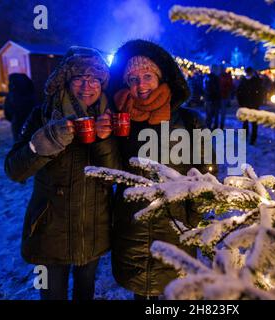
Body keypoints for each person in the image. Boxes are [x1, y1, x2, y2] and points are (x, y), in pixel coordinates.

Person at [4, 46, 119, 300]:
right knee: (52, 294)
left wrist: (103, 140)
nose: (87, 85)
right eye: (79, 77)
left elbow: (115, 177)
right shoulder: (43, 114)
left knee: (84, 292)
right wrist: (44, 143)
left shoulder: (111, 117)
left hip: (93, 228)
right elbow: (14, 169)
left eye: (95, 79)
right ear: (66, 80)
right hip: (50, 229)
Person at [104, 39, 214, 300]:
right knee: (141, 292)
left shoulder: (190, 120)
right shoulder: (121, 120)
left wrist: (193, 217)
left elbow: (206, 173)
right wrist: (103, 136)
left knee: (176, 293)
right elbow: (109, 171)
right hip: (133, 224)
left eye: (146, 76)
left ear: (161, 76)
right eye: (132, 79)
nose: (140, 85)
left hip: (176, 225)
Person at [236, 67, 265, 145]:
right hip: (246, 104)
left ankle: (252, 139)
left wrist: (258, 102)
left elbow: (260, 93)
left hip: (253, 105)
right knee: (246, 123)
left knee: (253, 123)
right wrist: (241, 103)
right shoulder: (244, 81)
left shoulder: (255, 81)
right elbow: (239, 93)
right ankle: (247, 138)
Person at [4, 73, 37, 141]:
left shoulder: (12, 93)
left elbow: (7, 109)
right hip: (30, 119)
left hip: (17, 120)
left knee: (19, 141)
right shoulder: (29, 90)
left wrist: (12, 118)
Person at [203, 64, 221, 129]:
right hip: (213, 99)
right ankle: (212, 128)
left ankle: (208, 128)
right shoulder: (215, 78)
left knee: (209, 115)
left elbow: (204, 88)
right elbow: (216, 89)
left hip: (208, 98)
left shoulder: (207, 77)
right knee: (213, 115)